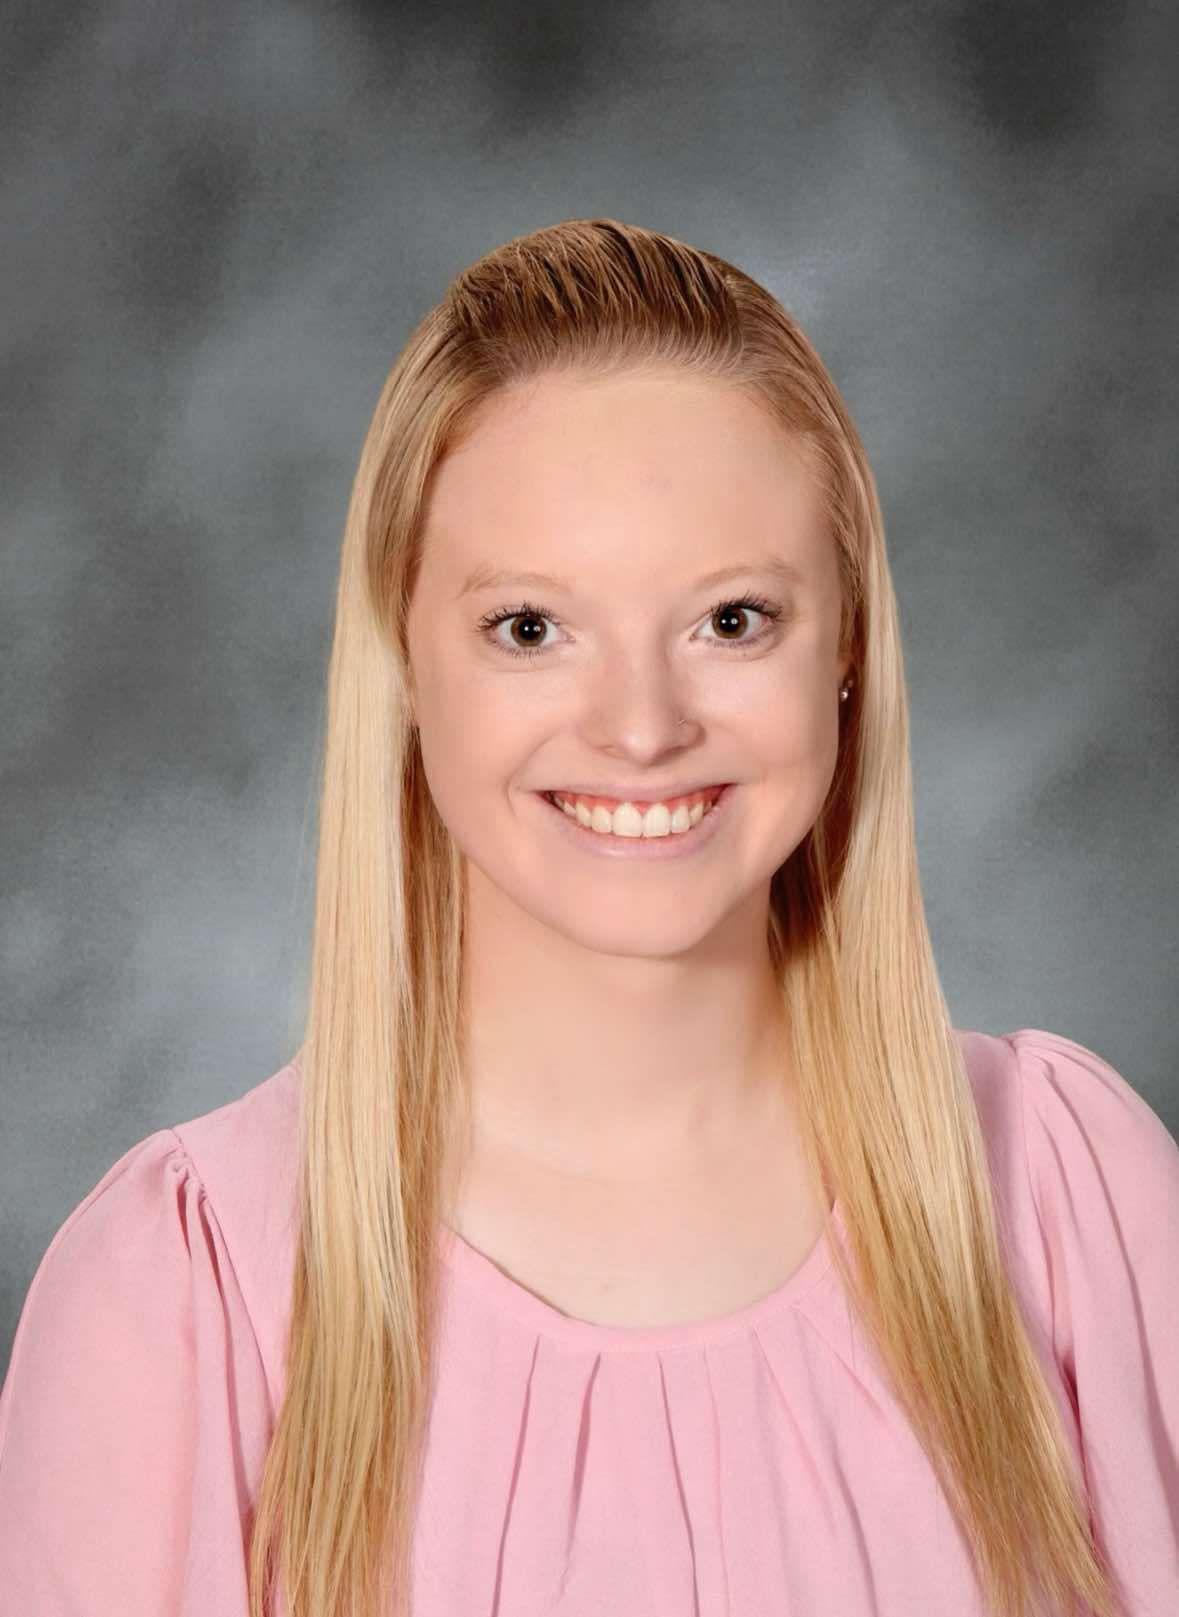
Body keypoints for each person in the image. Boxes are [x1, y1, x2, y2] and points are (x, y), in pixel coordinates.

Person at [1, 218, 1176, 1617]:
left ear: (848, 645)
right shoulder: (177, 1303)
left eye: (733, 620)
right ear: (405, 661)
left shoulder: (1068, 1198)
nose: (641, 728)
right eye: (531, 627)